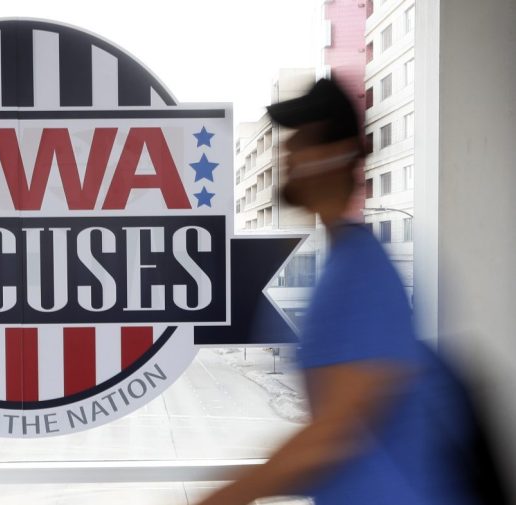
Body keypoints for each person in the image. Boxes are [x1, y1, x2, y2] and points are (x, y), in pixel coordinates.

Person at [194, 79, 478, 505]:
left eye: (300, 142)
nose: (286, 155)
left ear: (337, 154)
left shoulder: (363, 273)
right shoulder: (342, 265)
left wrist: (225, 496)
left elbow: (333, 438)